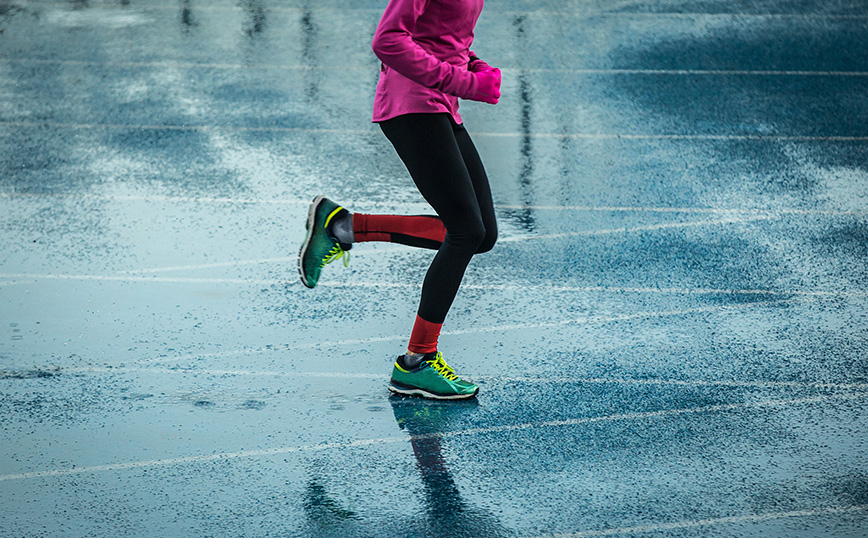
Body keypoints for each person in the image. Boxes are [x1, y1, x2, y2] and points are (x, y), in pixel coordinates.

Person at [298, 0, 501, 400]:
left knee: (482, 234)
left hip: (440, 104)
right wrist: (461, 80)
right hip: (412, 105)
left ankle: (342, 227)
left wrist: (472, 66)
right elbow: (388, 40)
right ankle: (416, 363)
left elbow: (439, 36)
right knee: (465, 232)